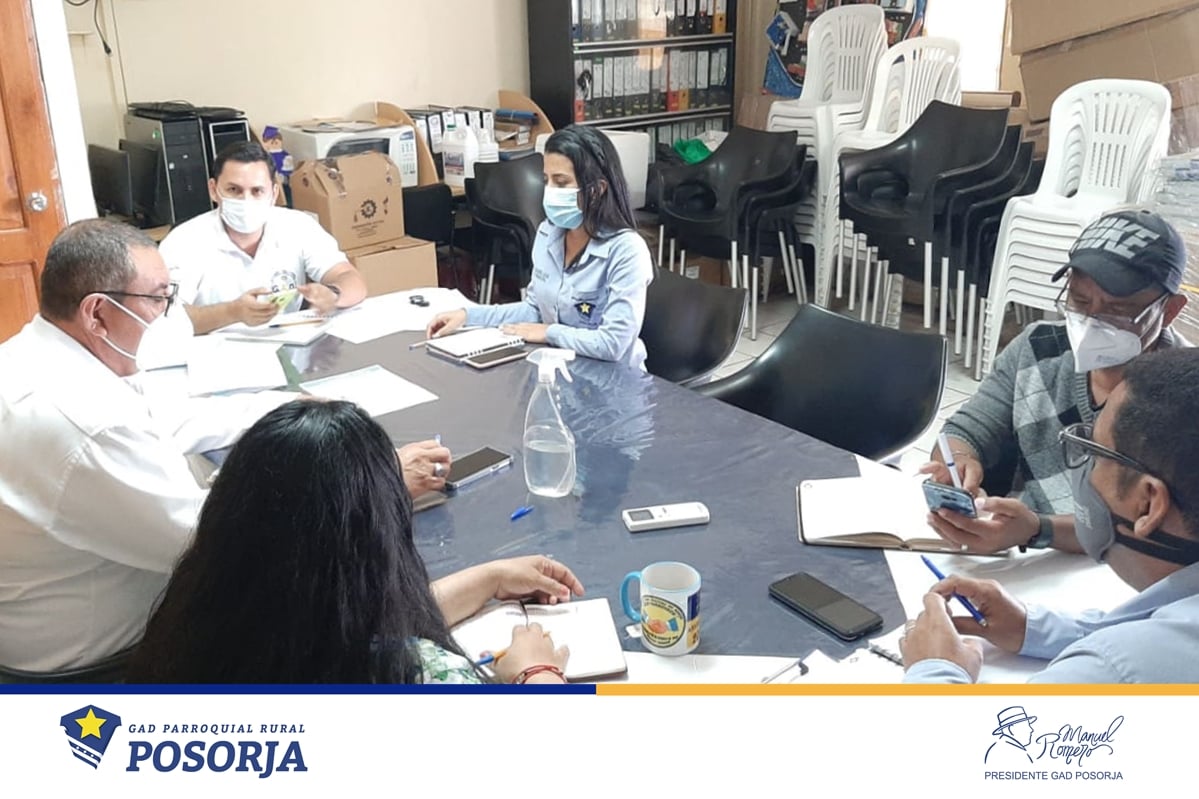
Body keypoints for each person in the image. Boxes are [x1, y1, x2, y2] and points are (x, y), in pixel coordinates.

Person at [0, 220, 447, 673]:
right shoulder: (88, 423)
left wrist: (289, 405)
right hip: (102, 664)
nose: (167, 313)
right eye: (157, 298)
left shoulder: (41, 357)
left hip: (62, 616)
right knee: (343, 608)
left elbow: (169, 419)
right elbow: (215, 544)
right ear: (97, 313)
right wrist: (371, 482)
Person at [126, 400, 581, 685]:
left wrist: (489, 579)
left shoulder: (191, 630)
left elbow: (347, 623)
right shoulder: (424, 677)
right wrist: (537, 674)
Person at [902, 348, 1199, 684]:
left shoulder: (1115, 670)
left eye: (1095, 453)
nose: (1085, 470)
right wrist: (1032, 628)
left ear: (1147, 504)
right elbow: (1153, 622)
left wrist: (934, 666)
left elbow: (994, 726)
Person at [921, 209, 1189, 555]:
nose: (1091, 321)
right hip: (1023, 553)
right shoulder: (1038, 348)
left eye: (1118, 310)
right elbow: (967, 429)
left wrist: (1037, 530)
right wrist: (958, 469)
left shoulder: (1184, 396)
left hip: (1123, 571)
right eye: (1079, 300)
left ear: (1169, 310)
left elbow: (1157, 531)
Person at [427, 125, 654, 370]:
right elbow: (534, 309)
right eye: (546, 180)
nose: (550, 192)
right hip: (563, 367)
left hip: (615, 379)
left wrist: (549, 332)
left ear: (596, 190)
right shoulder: (548, 233)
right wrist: (468, 316)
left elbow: (613, 344)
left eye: (561, 182)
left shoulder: (626, 250)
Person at [159, 140, 367, 335]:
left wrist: (333, 294)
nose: (245, 200)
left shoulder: (298, 225)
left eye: (257, 191)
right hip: (212, 350)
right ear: (213, 190)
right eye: (234, 190)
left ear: (274, 193)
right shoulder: (183, 242)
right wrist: (232, 312)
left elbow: (351, 279)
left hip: (286, 344)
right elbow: (163, 318)